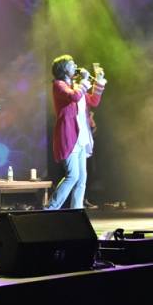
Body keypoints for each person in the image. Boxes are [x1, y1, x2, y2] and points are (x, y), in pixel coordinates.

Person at [47, 55, 105, 211]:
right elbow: (74, 96)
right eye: (72, 64)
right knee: (72, 176)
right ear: (64, 68)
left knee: (82, 178)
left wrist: (98, 82)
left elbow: (93, 101)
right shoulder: (59, 85)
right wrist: (85, 81)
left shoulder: (75, 85)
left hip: (81, 137)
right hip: (68, 136)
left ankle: (77, 211)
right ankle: (50, 208)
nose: (75, 66)